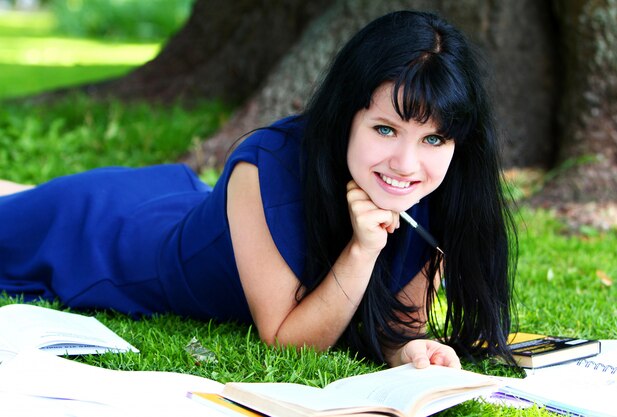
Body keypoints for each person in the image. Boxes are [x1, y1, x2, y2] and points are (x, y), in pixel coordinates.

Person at [0, 10, 517, 368]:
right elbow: (289, 345)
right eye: (385, 129)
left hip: (188, 204)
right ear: (346, 116)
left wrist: (409, 351)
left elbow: (399, 323)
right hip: (112, 243)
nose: (407, 163)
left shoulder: (433, 185)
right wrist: (362, 250)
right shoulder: (267, 165)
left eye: (432, 138)